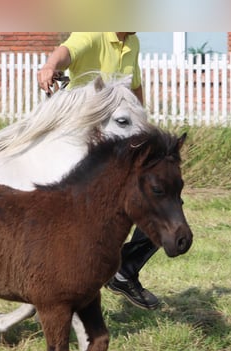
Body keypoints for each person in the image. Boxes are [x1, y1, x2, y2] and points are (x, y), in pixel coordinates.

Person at [37, 32, 162, 310]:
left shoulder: (133, 43)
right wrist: (50, 66)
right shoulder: (92, 34)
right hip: (79, 139)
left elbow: (135, 88)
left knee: (159, 197)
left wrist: (141, 127)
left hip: (113, 141)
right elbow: (65, 52)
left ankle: (124, 270)